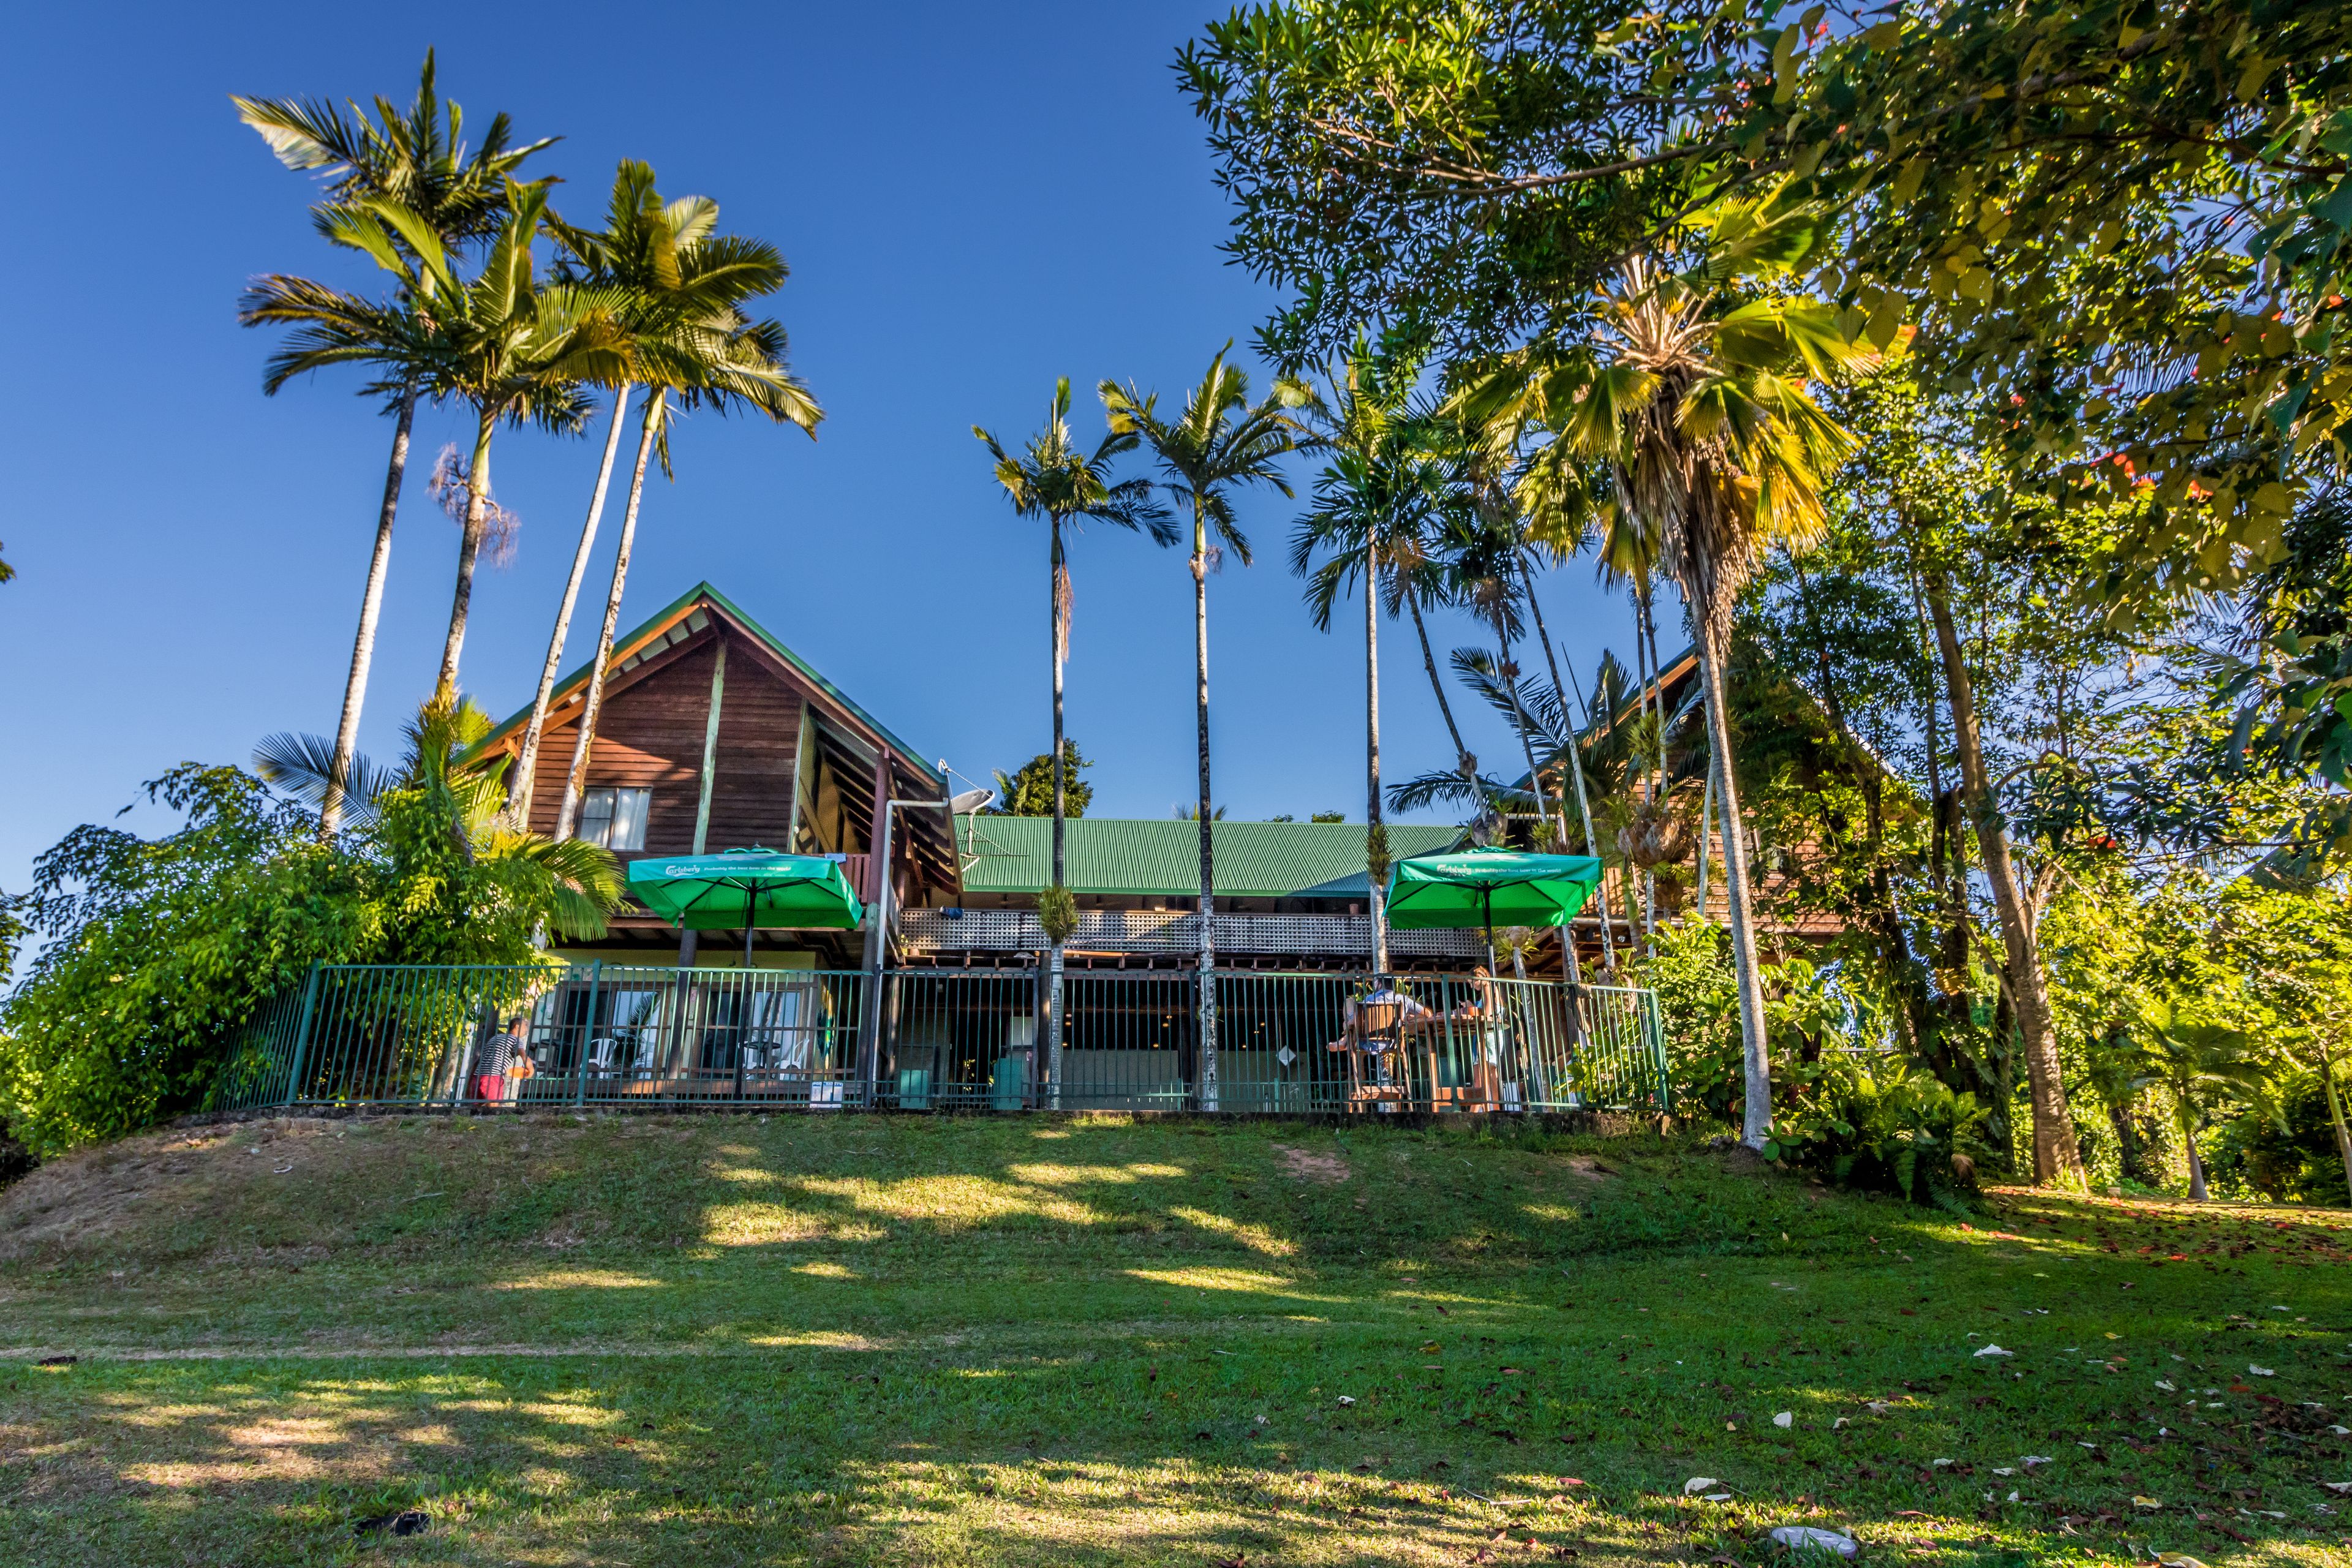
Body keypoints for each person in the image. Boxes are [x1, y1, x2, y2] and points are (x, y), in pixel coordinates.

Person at [476, 1016, 527, 1104]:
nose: (526, 1029)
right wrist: (530, 1070)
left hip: (478, 1076)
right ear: (517, 1027)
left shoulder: (495, 1038)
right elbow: (524, 1056)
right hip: (492, 1077)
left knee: (477, 1108)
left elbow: (479, 1061)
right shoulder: (515, 1040)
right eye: (525, 1026)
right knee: (493, 1105)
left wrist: (469, 1082)